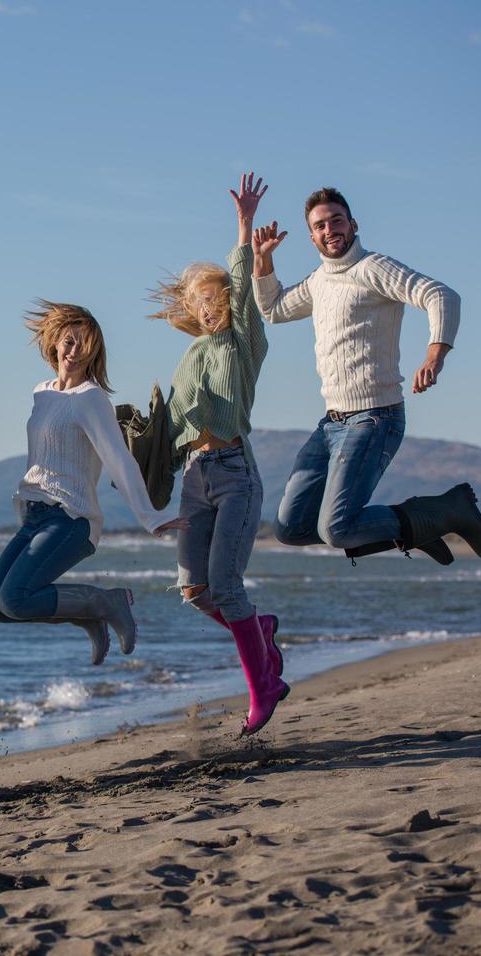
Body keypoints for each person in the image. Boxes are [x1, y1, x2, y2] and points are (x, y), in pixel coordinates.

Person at [252, 188, 481, 565]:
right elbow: (274, 308)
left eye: (337, 220)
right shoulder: (319, 281)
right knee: (291, 528)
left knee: (337, 529)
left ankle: (444, 512)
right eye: (320, 225)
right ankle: (415, 526)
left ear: (353, 224)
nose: (330, 229)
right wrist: (263, 261)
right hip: (331, 424)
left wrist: (436, 353)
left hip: (373, 417)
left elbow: (440, 295)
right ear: (312, 236)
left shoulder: (372, 268)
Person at [148, 173, 288, 734]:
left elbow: (240, 286)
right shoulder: (191, 356)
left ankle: (264, 689)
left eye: (216, 299)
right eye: (199, 303)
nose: (208, 309)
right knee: (193, 591)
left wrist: (245, 227)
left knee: (227, 588)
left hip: (235, 476)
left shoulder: (243, 342)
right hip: (193, 479)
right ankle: (261, 631)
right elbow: (169, 425)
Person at [0, 302, 184, 665]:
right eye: (69, 342)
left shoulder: (91, 399)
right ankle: (88, 614)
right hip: (34, 517)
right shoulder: (42, 392)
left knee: (15, 599)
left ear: (93, 355)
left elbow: (118, 459)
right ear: (55, 341)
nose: (73, 352)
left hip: (71, 517)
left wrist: (150, 516)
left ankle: (106, 602)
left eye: (83, 347)